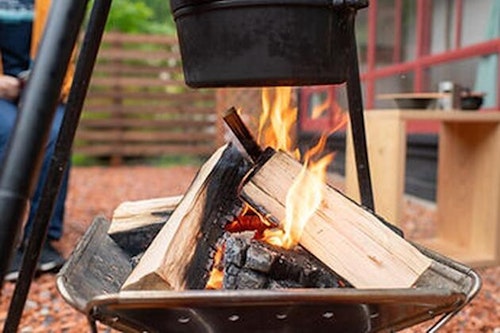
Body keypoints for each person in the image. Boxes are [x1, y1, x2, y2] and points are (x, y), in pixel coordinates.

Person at [0, 0, 74, 281]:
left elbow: (67, 52)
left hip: (43, 90)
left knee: (55, 134)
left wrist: (47, 85)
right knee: (8, 133)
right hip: (1, 92)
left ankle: (40, 239)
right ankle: (5, 240)